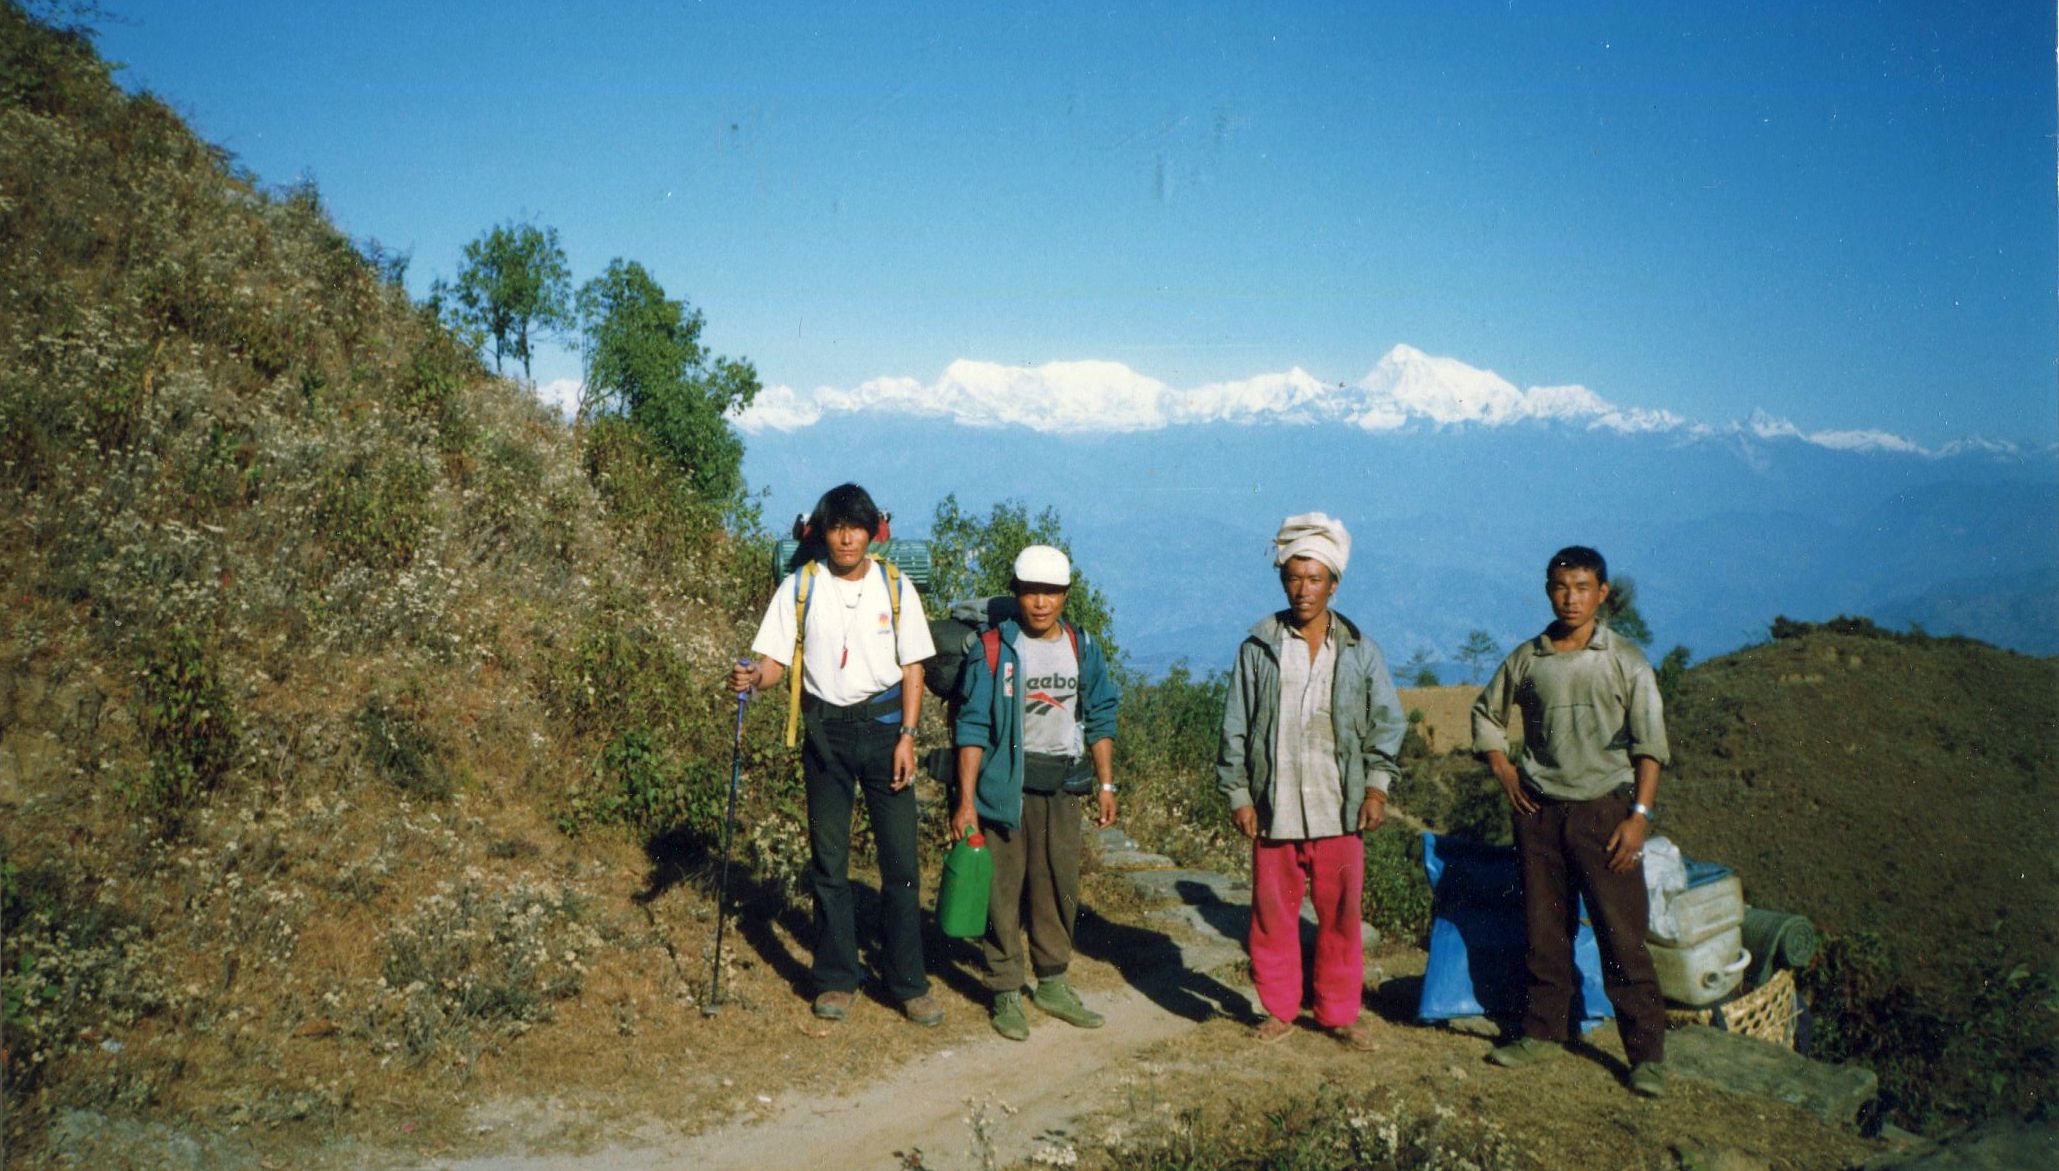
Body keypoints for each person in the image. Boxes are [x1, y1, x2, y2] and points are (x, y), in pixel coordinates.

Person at [729, 484, 941, 1026]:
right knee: (829, 864)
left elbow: (914, 667)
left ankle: (909, 983)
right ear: (821, 532)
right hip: (824, 734)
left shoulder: (895, 587)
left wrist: (908, 736)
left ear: (873, 532)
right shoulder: (800, 586)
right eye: (836, 527)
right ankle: (836, 978)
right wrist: (753, 679)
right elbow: (774, 662)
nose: (846, 538)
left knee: (902, 865)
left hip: (887, 729)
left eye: (856, 527)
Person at [1470, 545, 1670, 1097]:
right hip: (1539, 813)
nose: (1571, 598)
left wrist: (1639, 818)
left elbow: (1650, 747)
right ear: (1547, 590)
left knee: (1622, 935)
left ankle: (1646, 1055)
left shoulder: (1625, 660)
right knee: (1543, 929)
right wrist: (1505, 770)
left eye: (1583, 587)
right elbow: (1486, 714)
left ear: (1602, 594)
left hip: (1606, 811)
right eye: (1561, 587)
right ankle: (1541, 1033)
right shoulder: (1529, 658)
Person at [1216, 513, 1404, 1049]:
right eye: (1294, 577)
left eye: (1315, 578)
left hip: (1337, 806)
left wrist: (1375, 788)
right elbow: (1236, 725)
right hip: (1275, 807)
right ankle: (1277, 1008)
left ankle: (1338, 1012)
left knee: (1341, 914)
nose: (1303, 590)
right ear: (1282, 580)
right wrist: (1239, 794)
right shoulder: (1259, 648)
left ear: (1334, 583)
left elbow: (1387, 724)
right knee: (1273, 912)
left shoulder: (1360, 651)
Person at [951, 545, 1120, 1041]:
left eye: (1050, 592)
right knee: (1002, 891)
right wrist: (965, 802)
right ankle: (1005, 988)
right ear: (1016, 593)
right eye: (1030, 591)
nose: (1040, 603)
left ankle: (1053, 981)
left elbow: (1103, 713)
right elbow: (973, 727)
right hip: (1005, 789)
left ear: (1066, 595)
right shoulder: (994, 648)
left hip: (1063, 786)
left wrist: (1106, 782)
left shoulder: (1081, 646)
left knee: (1058, 884)